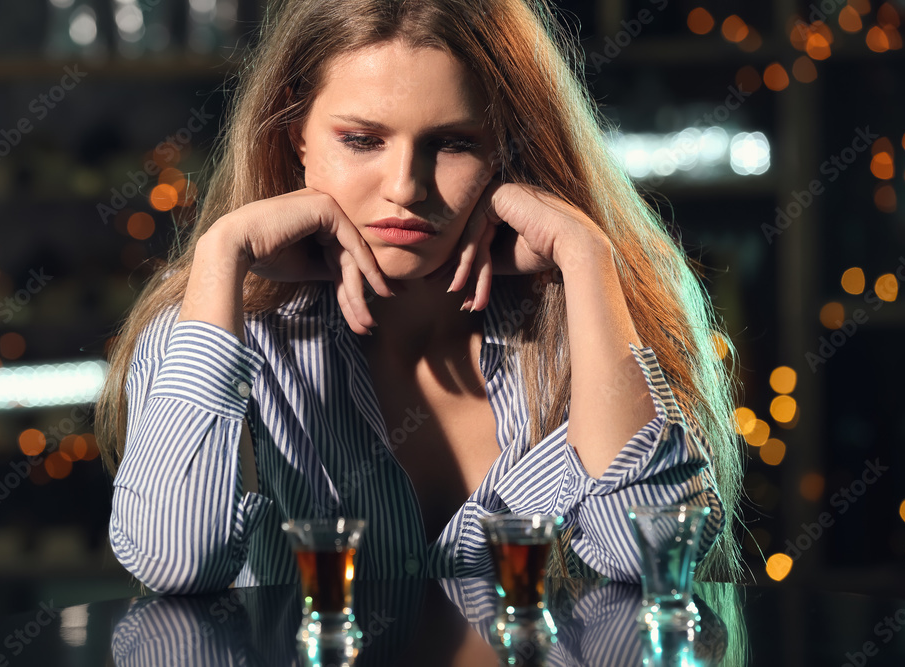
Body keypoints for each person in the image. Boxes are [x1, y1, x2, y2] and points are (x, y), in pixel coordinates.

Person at [95, 0, 743, 595]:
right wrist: (220, 256)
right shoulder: (215, 324)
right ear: (295, 129)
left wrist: (587, 258)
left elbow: (655, 550)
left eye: (453, 143)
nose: (405, 186)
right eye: (362, 139)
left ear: (505, 144)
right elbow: (174, 560)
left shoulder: (596, 312)